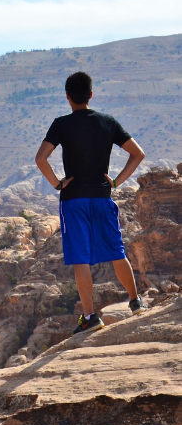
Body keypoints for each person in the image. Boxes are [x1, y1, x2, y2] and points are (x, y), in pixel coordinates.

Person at [35, 71, 148, 334]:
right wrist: (117, 181)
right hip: (101, 196)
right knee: (116, 250)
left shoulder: (61, 124)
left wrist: (57, 183)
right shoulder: (107, 122)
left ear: (67, 97)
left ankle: (89, 316)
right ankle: (135, 301)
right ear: (91, 95)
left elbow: (41, 159)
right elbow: (138, 153)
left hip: (73, 199)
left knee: (80, 259)